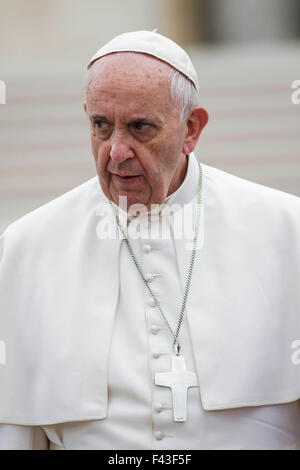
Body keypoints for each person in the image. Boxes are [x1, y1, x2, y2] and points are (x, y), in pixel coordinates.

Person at [0, 30, 299, 450]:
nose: (117, 151)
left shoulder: (287, 231)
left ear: (191, 128)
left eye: (140, 128)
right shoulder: (29, 246)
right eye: (101, 126)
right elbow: (14, 429)